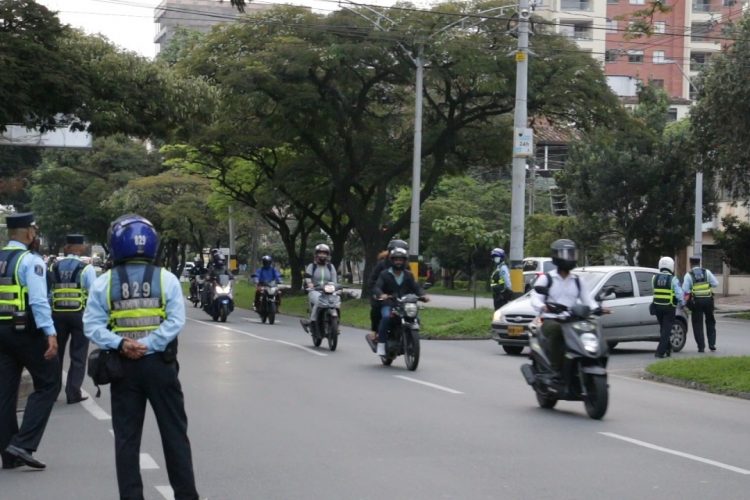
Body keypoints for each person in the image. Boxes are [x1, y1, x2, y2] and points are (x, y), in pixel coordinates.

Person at [83, 214, 200, 500]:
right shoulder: (167, 279)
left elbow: (92, 325)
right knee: (174, 434)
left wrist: (122, 344)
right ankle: (186, 496)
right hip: (160, 366)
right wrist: (149, 344)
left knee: (126, 439)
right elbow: (175, 321)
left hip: (123, 368)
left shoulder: (104, 282)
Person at [0, 212, 59, 470]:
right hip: (25, 332)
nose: (35, 235)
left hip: (1, 333)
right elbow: (37, 299)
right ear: (27, 233)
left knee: (4, 393)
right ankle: (23, 443)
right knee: (49, 384)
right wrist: (51, 333)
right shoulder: (30, 260)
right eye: (34, 231)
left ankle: (8, 454)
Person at [530, 239, 598, 378]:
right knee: (557, 330)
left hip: (572, 320)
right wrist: (543, 306)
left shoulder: (578, 280)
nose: (569, 258)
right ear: (556, 256)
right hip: (551, 320)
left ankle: (587, 361)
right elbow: (535, 297)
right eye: (565, 254)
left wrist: (598, 309)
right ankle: (555, 369)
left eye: (572, 254)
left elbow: (588, 300)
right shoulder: (547, 278)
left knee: (593, 328)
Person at [48, 234, 97, 405]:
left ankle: (52, 392)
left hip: (57, 315)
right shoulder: (86, 268)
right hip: (79, 315)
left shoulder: (54, 267)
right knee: (78, 355)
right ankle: (73, 392)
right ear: (80, 247)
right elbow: (93, 295)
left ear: (67, 247)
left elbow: (49, 292)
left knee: (56, 354)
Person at [371, 246, 429, 356]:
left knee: (416, 318)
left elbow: (416, 287)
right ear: (391, 260)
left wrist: (423, 295)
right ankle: (381, 345)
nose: (398, 262)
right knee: (386, 317)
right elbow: (377, 286)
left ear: (405, 261)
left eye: (401, 259)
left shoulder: (408, 275)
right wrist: (382, 294)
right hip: (389, 304)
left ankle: (409, 340)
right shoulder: (384, 274)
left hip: (405, 304)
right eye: (396, 259)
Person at [366, 239, 408, 344]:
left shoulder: (406, 266)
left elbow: (411, 282)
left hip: (399, 297)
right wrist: (378, 293)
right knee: (377, 309)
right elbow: (372, 281)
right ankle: (375, 331)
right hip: (383, 295)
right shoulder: (381, 265)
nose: (399, 259)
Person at [683, 255, 719, 352]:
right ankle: (712, 344)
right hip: (708, 301)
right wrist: (708, 284)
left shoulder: (689, 275)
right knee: (710, 321)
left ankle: (701, 347)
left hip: (696, 302)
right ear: (699, 263)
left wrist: (684, 303)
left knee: (697, 324)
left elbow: (685, 291)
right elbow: (716, 283)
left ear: (690, 264)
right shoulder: (706, 272)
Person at [652, 256, 685, 358]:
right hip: (669, 308)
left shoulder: (654, 278)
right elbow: (679, 294)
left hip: (657, 307)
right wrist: (683, 303)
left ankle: (668, 349)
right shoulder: (673, 279)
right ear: (671, 266)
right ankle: (659, 352)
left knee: (663, 329)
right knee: (666, 330)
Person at [301, 243, 337, 334]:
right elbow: (307, 277)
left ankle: (336, 323)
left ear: (328, 255)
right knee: (318, 300)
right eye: (320, 253)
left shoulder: (330, 267)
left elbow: (334, 280)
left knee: (336, 301)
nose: (322, 255)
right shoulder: (311, 266)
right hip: (315, 291)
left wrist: (335, 286)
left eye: (324, 253)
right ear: (316, 254)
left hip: (328, 291)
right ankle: (311, 321)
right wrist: (309, 283)